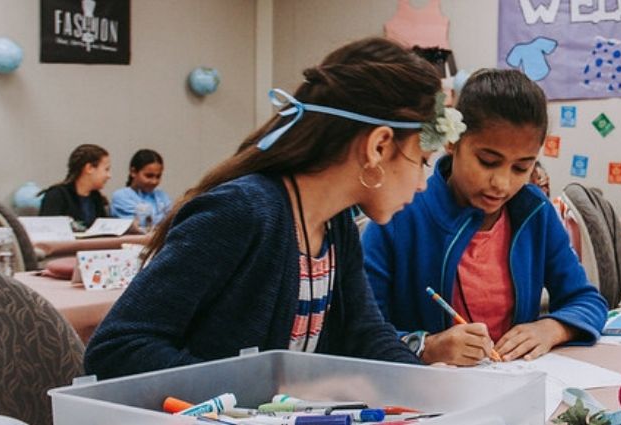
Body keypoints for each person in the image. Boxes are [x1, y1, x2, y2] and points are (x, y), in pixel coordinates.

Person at [84, 37, 451, 379]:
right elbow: (117, 349)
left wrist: (434, 390)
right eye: (421, 160)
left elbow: (366, 335)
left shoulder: (336, 223)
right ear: (380, 146)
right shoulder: (242, 212)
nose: (422, 183)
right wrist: (264, 393)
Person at [362, 69, 607, 366]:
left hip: (511, 386)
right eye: (488, 162)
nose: (502, 183)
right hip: (424, 394)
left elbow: (587, 301)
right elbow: (360, 333)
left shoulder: (533, 211)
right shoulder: (400, 214)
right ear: (452, 143)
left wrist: (552, 328)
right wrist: (427, 346)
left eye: (521, 168)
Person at [39, 144, 112, 230]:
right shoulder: (56, 195)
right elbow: (47, 232)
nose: (109, 176)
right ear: (89, 168)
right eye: (106, 169)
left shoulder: (96, 197)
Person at [111, 149, 173, 231]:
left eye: (158, 176)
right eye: (149, 176)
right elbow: (141, 226)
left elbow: (172, 221)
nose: (154, 181)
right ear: (133, 172)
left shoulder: (162, 196)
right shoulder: (121, 197)